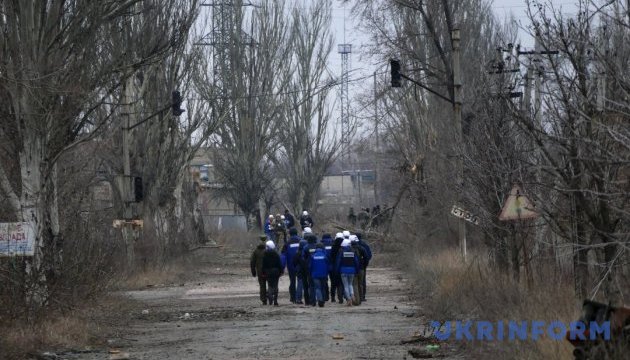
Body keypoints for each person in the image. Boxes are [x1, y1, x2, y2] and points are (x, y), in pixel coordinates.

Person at [336, 237, 360, 306]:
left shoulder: (341, 251)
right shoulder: (353, 251)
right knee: (350, 285)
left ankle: (349, 299)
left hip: (343, 271)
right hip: (352, 270)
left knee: (345, 286)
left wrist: (337, 270)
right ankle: (352, 296)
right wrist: (357, 270)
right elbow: (356, 262)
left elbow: (338, 262)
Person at [281, 227, 301, 303]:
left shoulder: (287, 243)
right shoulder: (301, 241)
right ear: (296, 233)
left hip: (291, 266)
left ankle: (293, 298)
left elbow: (283, 256)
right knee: (300, 281)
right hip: (300, 265)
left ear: (290, 234)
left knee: (292, 281)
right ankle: (299, 297)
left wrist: (282, 267)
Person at [262, 240, 283, 306]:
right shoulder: (276, 254)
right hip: (276, 271)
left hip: (268, 272)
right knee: (276, 285)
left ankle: (270, 298)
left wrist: (263, 272)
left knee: (270, 285)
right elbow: (279, 264)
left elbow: (263, 265)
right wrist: (281, 271)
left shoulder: (265, 255)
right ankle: (275, 301)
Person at [309, 243, 329, 307]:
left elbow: (310, 266)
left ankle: (320, 300)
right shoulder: (325, 256)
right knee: (323, 288)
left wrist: (311, 273)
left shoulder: (313, 256)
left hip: (315, 275)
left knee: (317, 288)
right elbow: (328, 265)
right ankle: (322, 301)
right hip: (323, 274)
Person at [250, 235, 268, 305]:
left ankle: (263, 299)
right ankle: (270, 297)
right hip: (268, 270)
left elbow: (252, 262)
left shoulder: (256, 251)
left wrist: (253, 272)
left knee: (262, 285)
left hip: (260, 271)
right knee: (270, 284)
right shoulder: (268, 250)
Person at [350, 234, 367, 306]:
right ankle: (361, 297)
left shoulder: (350, 249)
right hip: (361, 269)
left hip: (353, 269)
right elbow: (366, 258)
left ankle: (357, 300)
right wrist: (364, 266)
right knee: (361, 284)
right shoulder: (362, 248)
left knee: (355, 284)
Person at [355, 232, 372, 301]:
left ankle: (356, 297)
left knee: (355, 282)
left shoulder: (351, 244)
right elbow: (369, 255)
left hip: (354, 266)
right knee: (362, 282)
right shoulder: (364, 245)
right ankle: (363, 296)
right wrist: (365, 264)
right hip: (362, 266)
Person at [293, 239, 310, 305]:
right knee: (308, 285)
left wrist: (297, 268)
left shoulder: (297, 253)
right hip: (307, 270)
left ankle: (298, 299)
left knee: (300, 284)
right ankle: (310, 298)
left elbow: (294, 262)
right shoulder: (307, 252)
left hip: (300, 271)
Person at [330, 232, 345, 303]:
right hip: (341, 268)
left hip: (333, 268)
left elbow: (331, 257)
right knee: (341, 283)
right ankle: (340, 297)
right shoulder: (343, 247)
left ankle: (333, 297)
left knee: (333, 283)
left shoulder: (333, 247)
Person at [321, 233, 333, 302]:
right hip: (333, 265)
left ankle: (326, 296)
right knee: (333, 281)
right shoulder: (333, 243)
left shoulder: (321, 244)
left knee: (324, 281)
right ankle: (333, 297)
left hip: (324, 265)